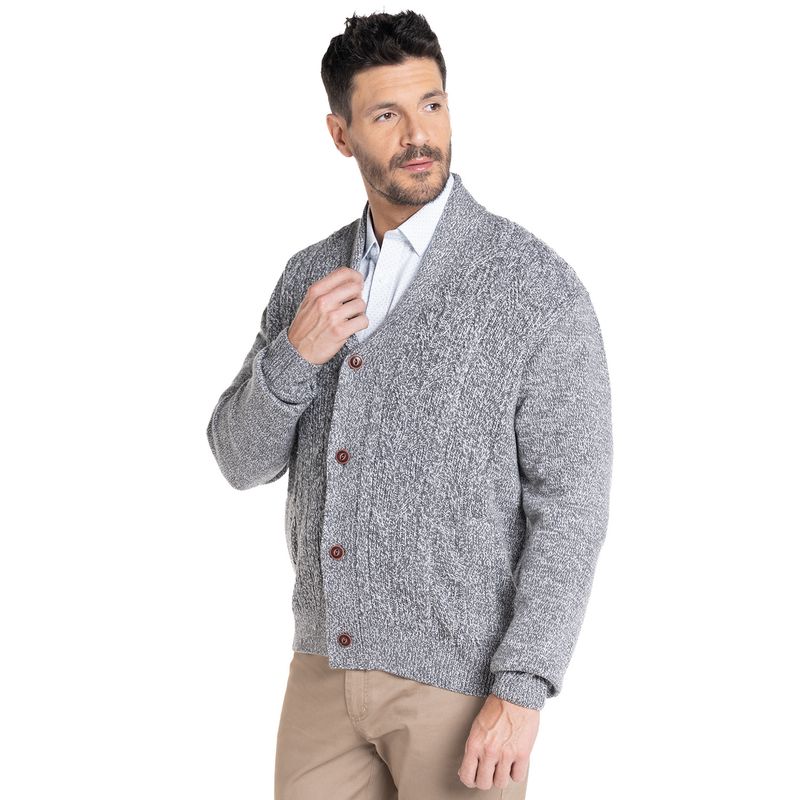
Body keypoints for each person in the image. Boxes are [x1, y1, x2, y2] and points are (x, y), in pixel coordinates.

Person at [206, 10, 613, 799]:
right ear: (341, 134)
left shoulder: (535, 289)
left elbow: (572, 507)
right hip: (322, 671)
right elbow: (237, 459)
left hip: (460, 690)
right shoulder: (308, 276)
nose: (419, 135)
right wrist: (296, 356)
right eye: (386, 115)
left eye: (432, 104)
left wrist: (523, 686)